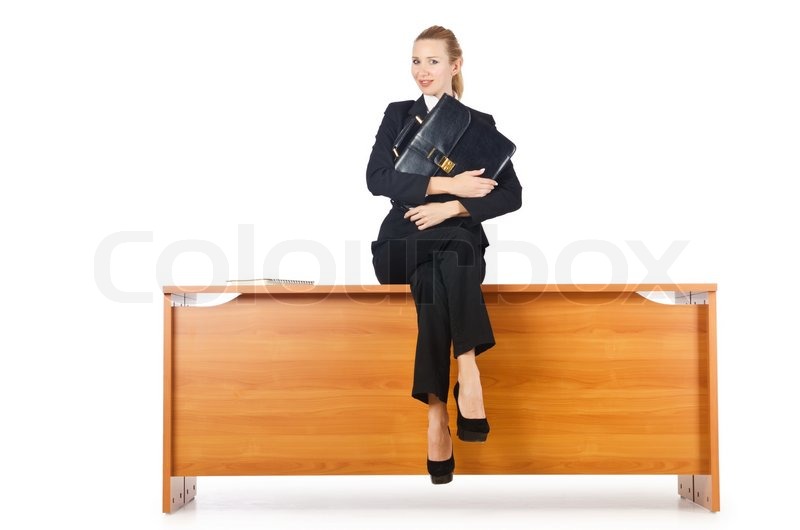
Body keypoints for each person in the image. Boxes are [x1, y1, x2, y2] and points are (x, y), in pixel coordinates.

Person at [366, 25, 523, 485]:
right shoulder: (398, 115)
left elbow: (512, 194)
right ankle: (468, 368)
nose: (422, 71)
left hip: (449, 246)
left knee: (441, 270)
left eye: (432, 61)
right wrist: (449, 187)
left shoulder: (480, 124)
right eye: (416, 61)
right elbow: (378, 179)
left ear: (455, 66)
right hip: (401, 242)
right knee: (459, 245)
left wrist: (453, 209)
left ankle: (437, 415)